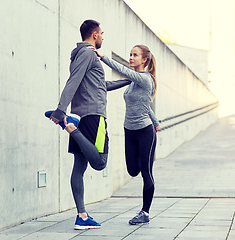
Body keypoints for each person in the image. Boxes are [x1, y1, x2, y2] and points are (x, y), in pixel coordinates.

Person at [49, 19, 130, 230]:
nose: (103, 37)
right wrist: (60, 110)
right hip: (93, 116)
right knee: (100, 162)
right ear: (94, 35)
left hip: (81, 114)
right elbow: (73, 81)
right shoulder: (88, 53)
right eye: (101, 33)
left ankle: (82, 216)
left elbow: (100, 85)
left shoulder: (80, 56)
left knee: (79, 167)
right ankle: (70, 127)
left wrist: (128, 80)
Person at [93, 45, 161, 225]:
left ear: (144, 60)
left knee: (146, 172)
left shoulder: (145, 79)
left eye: (135, 55)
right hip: (129, 130)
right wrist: (157, 121)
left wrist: (103, 57)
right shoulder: (134, 82)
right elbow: (144, 104)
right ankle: (143, 160)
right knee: (132, 169)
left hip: (145, 132)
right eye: (130, 54)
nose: (131, 58)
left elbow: (122, 70)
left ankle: (145, 212)